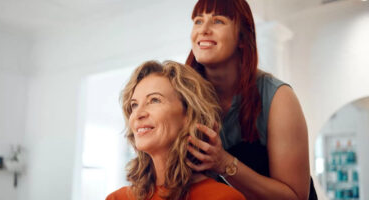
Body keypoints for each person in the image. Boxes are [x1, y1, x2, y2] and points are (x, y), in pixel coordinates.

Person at [185, 0, 317, 199]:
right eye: (198, 21)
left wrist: (224, 163)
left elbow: (295, 197)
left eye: (218, 21)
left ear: (242, 37)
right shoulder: (182, 96)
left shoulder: (278, 98)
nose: (203, 30)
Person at [106, 60, 246, 200]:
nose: (137, 114)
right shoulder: (117, 198)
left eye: (154, 100)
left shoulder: (224, 197)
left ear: (189, 115)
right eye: (134, 105)